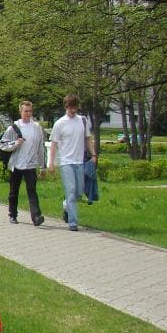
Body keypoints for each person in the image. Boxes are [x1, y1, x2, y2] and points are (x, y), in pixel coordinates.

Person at [49, 94, 96, 231]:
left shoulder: (82, 121)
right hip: (66, 162)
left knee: (79, 192)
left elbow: (88, 138)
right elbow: (53, 144)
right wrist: (51, 163)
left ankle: (66, 205)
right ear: (66, 107)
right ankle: (73, 222)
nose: (73, 110)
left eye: (75, 107)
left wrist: (93, 154)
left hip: (79, 161)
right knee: (70, 190)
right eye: (71, 108)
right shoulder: (60, 123)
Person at [0, 100, 46, 225]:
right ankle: (13, 214)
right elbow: (2, 144)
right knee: (14, 191)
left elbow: (40, 148)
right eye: (25, 111)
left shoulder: (37, 128)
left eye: (30, 111)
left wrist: (42, 166)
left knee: (32, 190)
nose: (28, 113)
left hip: (30, 165)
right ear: (20, 112)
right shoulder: (14, 128)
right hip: (16, 165)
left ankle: (36, 217)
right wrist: (15, 144)